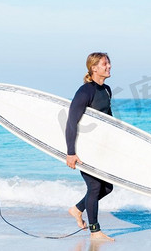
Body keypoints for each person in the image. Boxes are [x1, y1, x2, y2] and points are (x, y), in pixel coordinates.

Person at [66, 52, 115, 241]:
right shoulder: (86, 91)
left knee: (107, 187)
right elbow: (71, 121)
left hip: (100, 147)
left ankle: (77, 209)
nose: (109, 66)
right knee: (94, 187)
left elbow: (108, 119)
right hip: (85, 147)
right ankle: (95, 232)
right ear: (94, 68)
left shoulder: (107, 90)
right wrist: (71, 152)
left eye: (109, 63)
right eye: (105, 64)